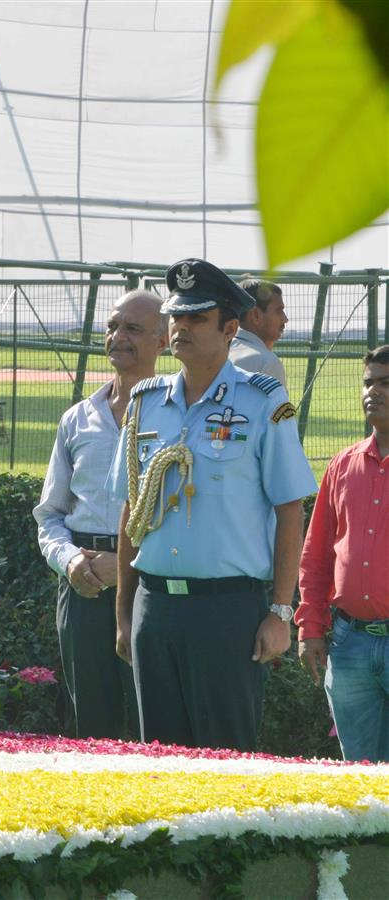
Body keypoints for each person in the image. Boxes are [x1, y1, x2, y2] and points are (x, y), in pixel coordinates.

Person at [110, 258, 316, 751]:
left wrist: (281, 612)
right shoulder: (145, 402)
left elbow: (291, 509)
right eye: (176, 317)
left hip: (228, 611)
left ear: (229, 329)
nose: (180, 328)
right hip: (154, 608)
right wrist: (124, 614)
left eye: (196, 318)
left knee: (228, 762)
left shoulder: (264, 401)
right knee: (161, 763)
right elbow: (130, 511)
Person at [33, 289, 167, 739]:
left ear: (163, 340)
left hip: (151, 584)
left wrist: (128, 566)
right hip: (83, 585)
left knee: (157, 723)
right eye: (112, 326)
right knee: (90, 724)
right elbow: (49, 514)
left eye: (132, 328)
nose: (117, 337)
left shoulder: (177, 416)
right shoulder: (76, 419)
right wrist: (70, 561)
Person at [296, 345, 389, 762]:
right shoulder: (342, 465)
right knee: (360, 777)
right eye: (369, 382)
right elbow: (316, 556)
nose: (374, 391)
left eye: (386, 383)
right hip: (349, 644)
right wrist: (310, 627)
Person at [229, 277, 287, 385]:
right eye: (279, 310)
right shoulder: (267, 363)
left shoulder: (220, 352)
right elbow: (278, 402)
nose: (285, 319)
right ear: (255, 315)